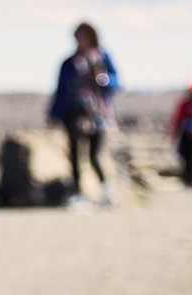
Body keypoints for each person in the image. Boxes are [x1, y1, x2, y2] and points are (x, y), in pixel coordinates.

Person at [47, 22, 119, 205]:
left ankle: (106, 191)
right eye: (78, 35)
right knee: (74, 155)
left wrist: (102, 79)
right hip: (74, 114)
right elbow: (61, 91)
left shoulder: (102, 59)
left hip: (98, 115)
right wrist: (54, 115)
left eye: (85, 35)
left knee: (94, 154)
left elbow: (116, 83)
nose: (81, 39)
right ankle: (77, 193)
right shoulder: (70, 63)